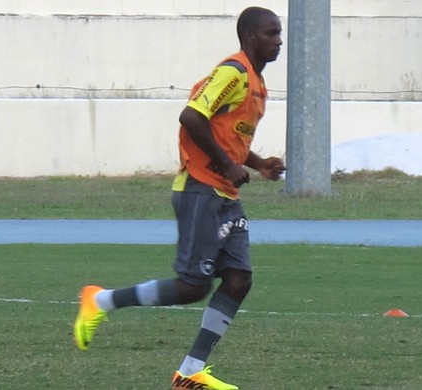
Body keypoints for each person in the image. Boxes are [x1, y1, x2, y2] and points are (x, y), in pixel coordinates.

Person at [73, 6, 285, 390]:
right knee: (193, 287)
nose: (279, 41)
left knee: (238, 280)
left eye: (279, 34)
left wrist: (256, 163)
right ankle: (100, 301)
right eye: (272, 34)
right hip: (201, 190)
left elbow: (226, 133)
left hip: (225, 194)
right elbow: (191, 116)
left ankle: (189, 372)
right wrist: (226, 163)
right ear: (251, 36)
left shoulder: (257, 84)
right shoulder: (233, 72)